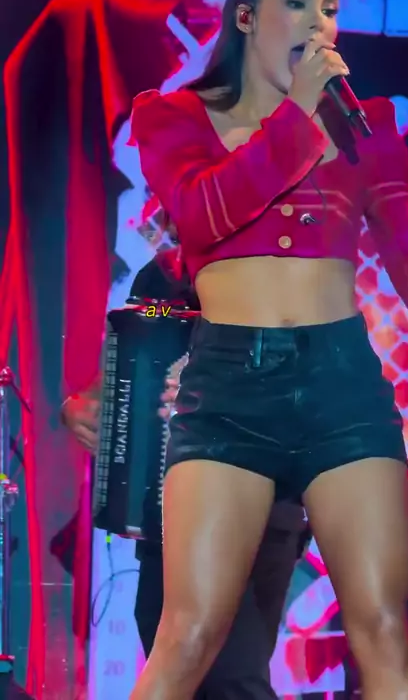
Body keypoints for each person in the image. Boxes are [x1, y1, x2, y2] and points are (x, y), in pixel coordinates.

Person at [130, 0, 408, 700]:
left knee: (382, 628)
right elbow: (203, 214)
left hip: (340, 382)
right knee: (189, 632)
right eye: (296, 3)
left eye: (328, 9)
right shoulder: (173, 117)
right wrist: (294, 118)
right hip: (229, 387)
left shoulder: (361, 124)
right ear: (246, 16)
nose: (317, 24)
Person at [62, 244, 309, 700]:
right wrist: (86, 403)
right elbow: (135, 349)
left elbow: (315, 383)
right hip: (169, 511)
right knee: (175, 665)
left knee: (231, 676)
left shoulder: (283, 262)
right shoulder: (164, 275)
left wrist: (215, 392)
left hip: (258, 501)